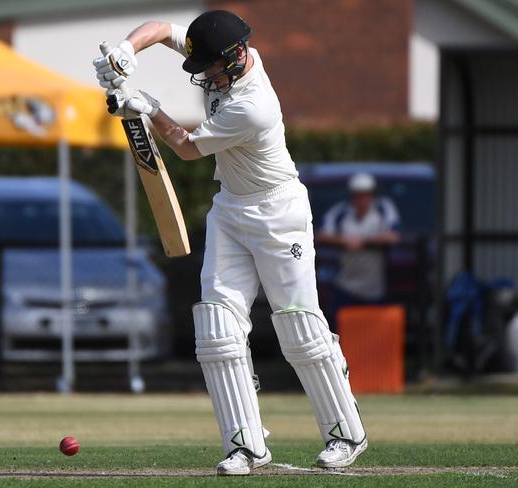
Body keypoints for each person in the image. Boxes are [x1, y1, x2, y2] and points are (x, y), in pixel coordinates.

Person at [92, 10, 366, 475]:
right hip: (231, 209)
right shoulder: (220, 53)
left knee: (298, 326)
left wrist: (147, 107)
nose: (205, 77)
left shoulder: (252, 105)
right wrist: (124, 52)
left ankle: (345, 433)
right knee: (217, 328)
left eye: (211, 70)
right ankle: (245, 445)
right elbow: (161, 30)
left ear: (235, 60)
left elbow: (185, 147)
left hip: (279, 213)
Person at [316, 172, 401, 330]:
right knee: (338, 330)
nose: (362, 199)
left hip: (374, 288)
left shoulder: (383, 209)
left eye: (366, 194)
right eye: (358, 195)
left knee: (374, 334)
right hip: (346, 285)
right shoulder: (341, 213)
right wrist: (343, 241)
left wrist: (364, 241)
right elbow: (321, 235)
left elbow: (393, 237)